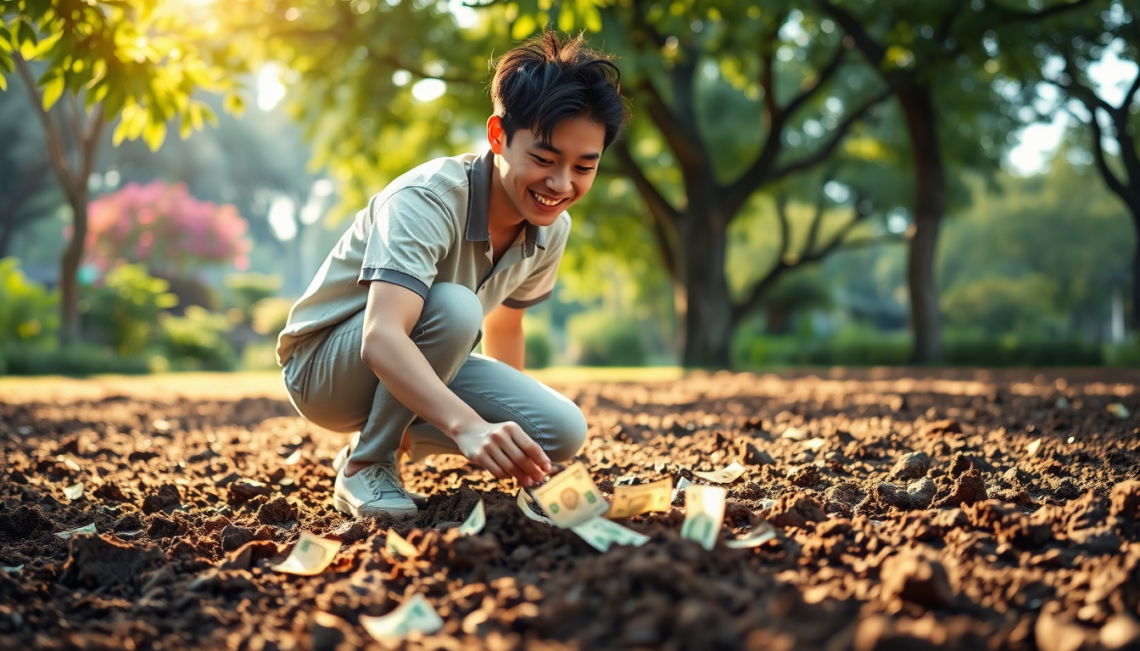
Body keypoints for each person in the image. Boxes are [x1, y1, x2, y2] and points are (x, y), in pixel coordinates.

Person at [276, 31, 631, 518]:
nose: (560, 184)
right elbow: (380, 338)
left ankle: (397, 431)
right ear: (498, 136)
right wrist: (468, 426)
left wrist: (517, 448)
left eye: (583, 167)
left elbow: (505, 328)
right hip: (326, 371)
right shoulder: (427, 199)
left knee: (560, 431)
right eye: (544, 160)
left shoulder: (553, 227)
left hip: (426, 353)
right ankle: (367, 462)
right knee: (456, 306)